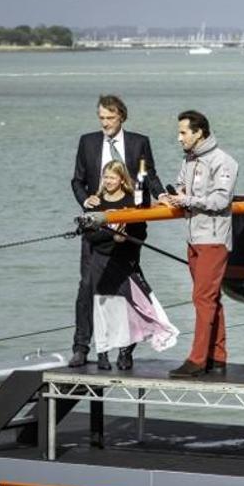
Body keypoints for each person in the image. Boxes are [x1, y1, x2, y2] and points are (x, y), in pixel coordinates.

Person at [70, 95, 164, 368]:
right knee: (88, 286)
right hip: (96, 227)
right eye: (101, 118)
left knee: (129, 287)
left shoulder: (138, 142)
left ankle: (126, 350)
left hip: (131, 225)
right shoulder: (87, 142)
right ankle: (81, 347)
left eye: (110, 118)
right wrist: (85, 200)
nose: (105, 124)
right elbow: (77, 180)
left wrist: (163, 196)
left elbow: (151, 176)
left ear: (121, 116)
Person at [159, 110, 238, 378]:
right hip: (193, 237)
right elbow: (182, 187)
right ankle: (217, 357)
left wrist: (187, 200)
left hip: (213, 239)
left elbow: (220, 201)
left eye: (183, 132)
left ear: (199, 132)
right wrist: (171, 196)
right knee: (211, 298)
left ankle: (196, 360)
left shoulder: (224, 161)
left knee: (202, 298)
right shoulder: (189, 160)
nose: (179, 137)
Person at [83, 161, 180, 368]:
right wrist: (112, 237)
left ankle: (126, 352)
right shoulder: (95, 202)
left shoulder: (131, 201)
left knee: (134, 307)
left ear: (122, 179)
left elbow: (140, 232)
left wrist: (124, 239)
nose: (108, 181)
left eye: (112, 177)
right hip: (101, 261)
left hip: (125, 260)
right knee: (103, 309)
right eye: (106, 177)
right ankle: (102, 353)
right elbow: (90, 237)